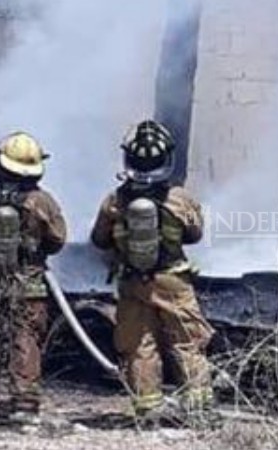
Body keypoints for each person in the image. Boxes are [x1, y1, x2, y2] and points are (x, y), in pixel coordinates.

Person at [90, 119, 214, 422]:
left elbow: (98, 240)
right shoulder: (179, 199)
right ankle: (198, 412)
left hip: (133, 284)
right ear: (166, 159)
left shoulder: (114, 201)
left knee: (139, 347)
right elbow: (195, 234)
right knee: (187, 343)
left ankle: (148, 412)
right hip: (173, 281)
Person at [0, 131, 67, 419]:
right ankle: (24, 406)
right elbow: (57, 240)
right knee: (25, 340)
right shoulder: (42, 201)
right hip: (27, 287)